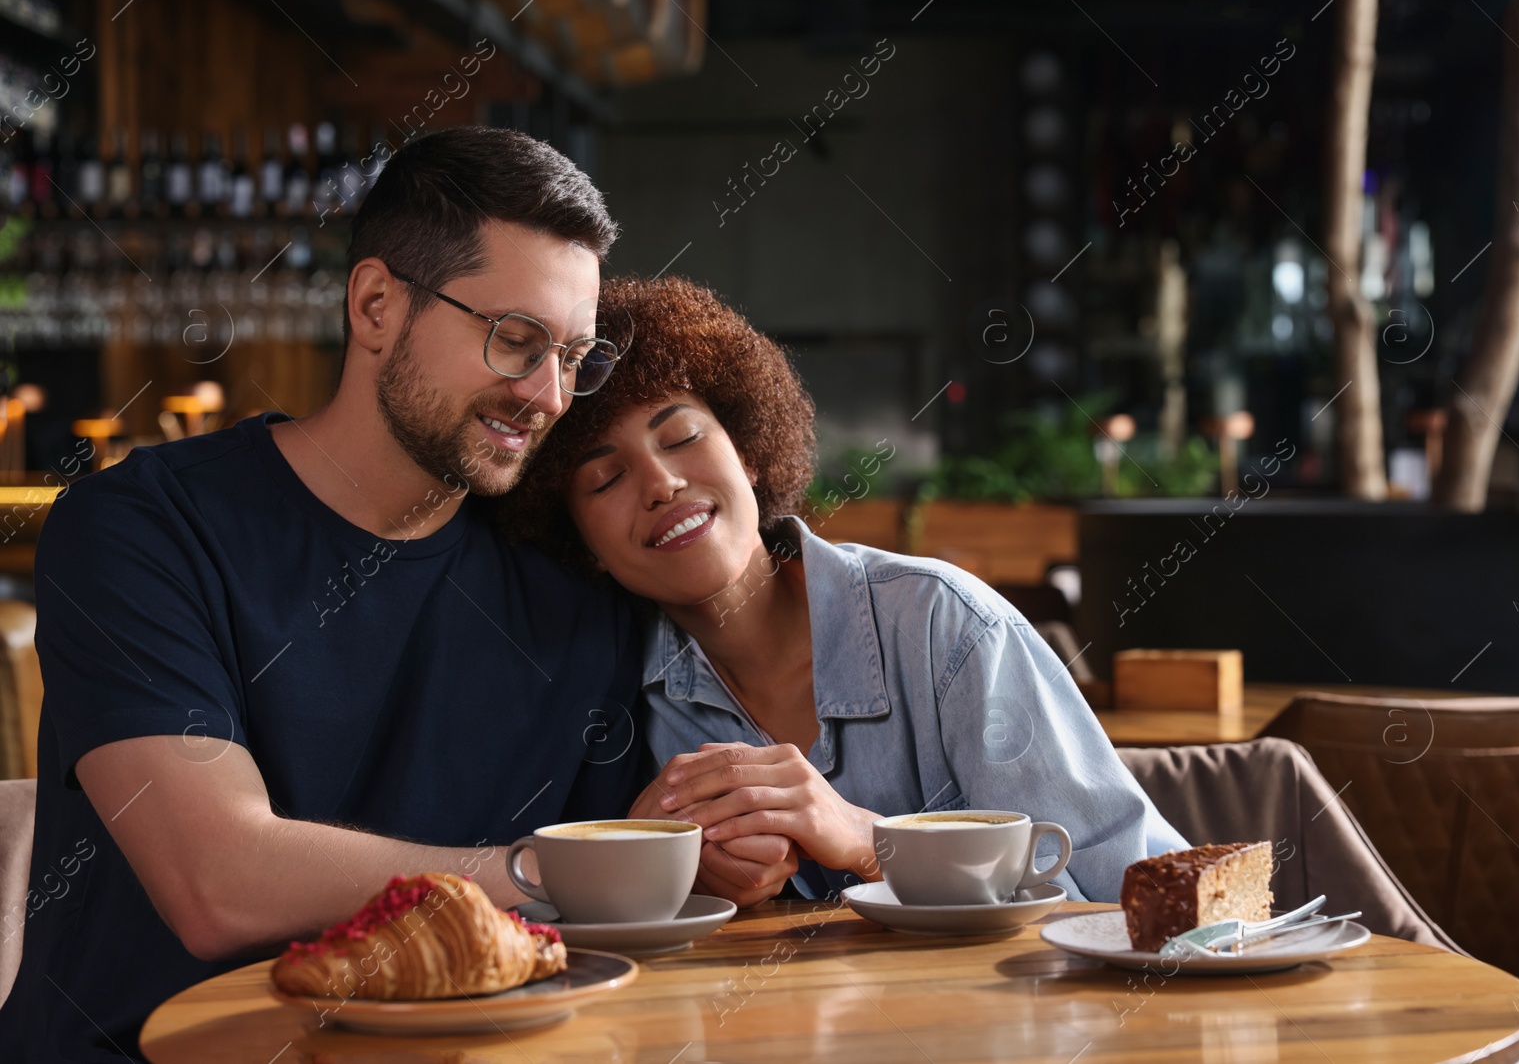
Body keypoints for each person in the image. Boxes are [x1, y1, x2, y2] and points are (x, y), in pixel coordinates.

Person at [0, 126, 651, 1062]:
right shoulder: (138, 530)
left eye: (575, 357)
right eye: (516, 340)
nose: (548, 394)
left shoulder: (572, 587)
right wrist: (535, 872)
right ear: (378, 304)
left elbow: (593, 947)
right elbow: (218, 883)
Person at [500, 275, 1187, 906]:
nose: (659, 483)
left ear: (746, 449)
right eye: (605, 480)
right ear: (577, 538)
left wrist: (871, 842)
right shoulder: (612, 694)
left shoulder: (944, 626)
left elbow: (1142, 900)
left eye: (680, 435)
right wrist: (667, 868)